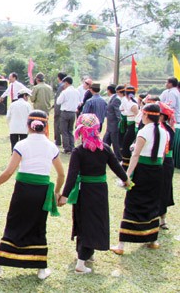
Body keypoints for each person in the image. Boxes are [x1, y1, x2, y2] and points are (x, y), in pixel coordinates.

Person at [0, 110, 64, 280]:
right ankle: (41, 269)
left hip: (23, 190)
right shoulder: (52, 147)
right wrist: (56, 193)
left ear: (28, 126)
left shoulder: (21, 145)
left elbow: (8, 172)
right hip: (42, 192)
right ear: (45, 126)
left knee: (13, 224)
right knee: (39, 227)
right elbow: (61, 174)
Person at [58, 114, 130, 274]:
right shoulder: (104, 148)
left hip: (84, 191)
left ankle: (82, 260)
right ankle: (85, 256)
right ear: (97, 129)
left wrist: (64, 195)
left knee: (84, 221)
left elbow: (72, 175)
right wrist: (126, 180)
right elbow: (117, 168)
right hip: (100, 191)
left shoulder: (79, 151)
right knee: (96, 221)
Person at [111, 103, 168, 254]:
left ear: (145, 115)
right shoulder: (163, 131)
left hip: (142, 171)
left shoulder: (144, 132)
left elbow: (135, 155)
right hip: (157, 171)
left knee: (133, 203)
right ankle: (153, 239)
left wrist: (127, 175)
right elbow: (161, 155)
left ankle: (121, 245)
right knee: (152, 203)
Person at [157, 102, 175, 230]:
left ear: (162, 116)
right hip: (163, 163)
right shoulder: (160, 128)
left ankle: (162, 218)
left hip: (164, 162)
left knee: (164, 190)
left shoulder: (165, 130)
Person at [160, 77, 180, 169]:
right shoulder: (170, 92)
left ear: (171, 84)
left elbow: (171, 105)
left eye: (167, 82)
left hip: (172, 119)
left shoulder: (172, 92)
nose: (165, 84)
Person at [56, 76, 79, 154]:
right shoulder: (76, 91)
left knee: (64, 131)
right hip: (73, 113)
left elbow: (58, 102)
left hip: (65, 112)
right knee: (70, 130)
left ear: (66, 83)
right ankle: (72, 146)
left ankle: (67, 148)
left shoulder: (65, 92)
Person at [119, 85, 139, 170]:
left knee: (127, 145)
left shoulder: (132, 104)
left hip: (132, 125)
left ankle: (127, 165)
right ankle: (125, 164)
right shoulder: (127, 102)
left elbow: (138, 116)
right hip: (128, 124)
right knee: (125, 144)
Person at [103, 84, 122, 161]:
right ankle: (104, 156)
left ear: (109, 90)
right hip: (110, 125)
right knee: (105, 141)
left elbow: (118, 114)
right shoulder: (112, 98)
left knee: (115, 144)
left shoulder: (116, 99)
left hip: (114, 126)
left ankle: (119, 158)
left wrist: (119, 125)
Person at [53, 72, 67, 146]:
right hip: (65, 108)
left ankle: (58, 141)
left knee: (57, 124)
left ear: (59, 78)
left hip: (59, 109)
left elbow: (58, 99)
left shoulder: (61, 86)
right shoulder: (66, 86)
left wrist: (56, 109)